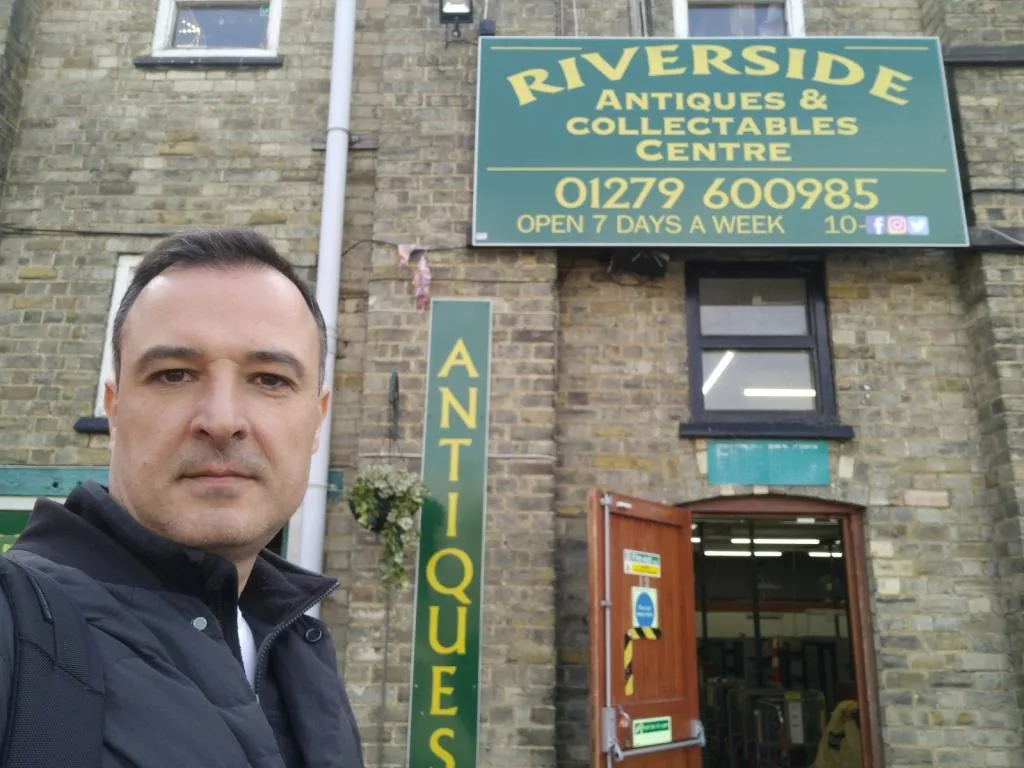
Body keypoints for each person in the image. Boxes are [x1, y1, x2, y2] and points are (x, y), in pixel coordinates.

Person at [0, 228, 364, 766]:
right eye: (174, 375)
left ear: (317, 420)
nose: (221, 420)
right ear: (114, 410)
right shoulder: (15, 627)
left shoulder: (298, 653)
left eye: (269, 380)